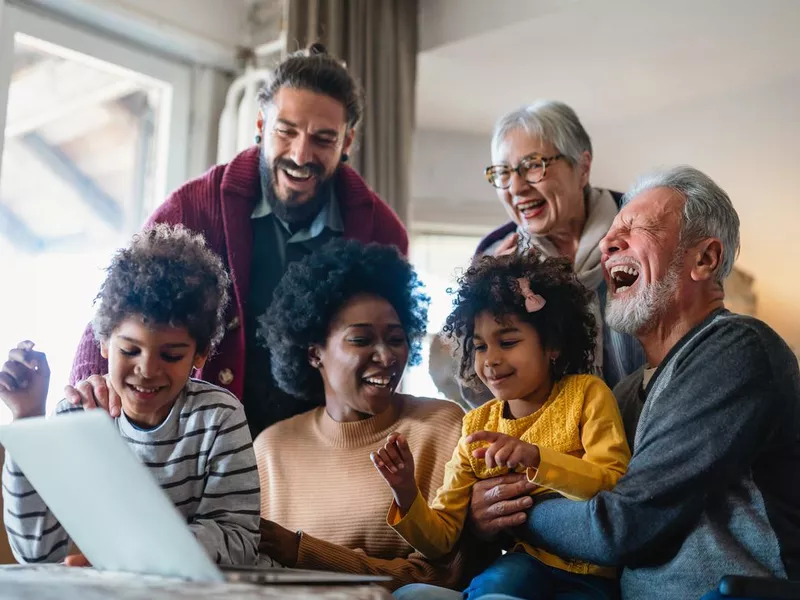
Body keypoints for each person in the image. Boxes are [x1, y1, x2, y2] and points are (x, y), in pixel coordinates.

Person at [472, 166, 800, 599]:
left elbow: (620, 527)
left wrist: (510, 507)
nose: (608, 244)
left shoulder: (737, 348)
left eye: (637, 228)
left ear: (705, 259)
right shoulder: (623, 393)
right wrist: (479, 511)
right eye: (610, 234)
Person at [66, 43, 408, 439]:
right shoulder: (194, 206)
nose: (300, 154)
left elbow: (387, 351)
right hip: (199, 438)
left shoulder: (383, 234)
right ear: (262, 125)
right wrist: (91, 383)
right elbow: (125, 299)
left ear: (347, 143)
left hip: (320, 445)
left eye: (323, 139)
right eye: (286, 131)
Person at [1, 225, 260, 566]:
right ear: (104, 342)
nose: (147, 370)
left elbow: (239, 540)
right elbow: (36, 553)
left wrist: (133, 556)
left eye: (171, 355)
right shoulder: (75, 419)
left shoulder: (218, 417)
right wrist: (28, 417)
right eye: (130, 350)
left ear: (200, 355)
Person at [381, 253, 630, 599]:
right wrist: (405, 491)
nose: (491, 360)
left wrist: (536, 459)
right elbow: (440, 540)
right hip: (522, 566)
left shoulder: (587, 394)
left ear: (553, 345)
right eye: (480, 346)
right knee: (412, 594)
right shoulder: (476, 426)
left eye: (508, 342)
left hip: (592, 576)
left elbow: (612, 482)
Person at [253, 239, 494, 591]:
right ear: (314, 354)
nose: (385, 356)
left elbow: (439, 578)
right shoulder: (272, 448)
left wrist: (303, 551)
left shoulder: (441, 428)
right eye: (361, 340)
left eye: (396, 339)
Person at [473, 101, 644, 393]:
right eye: (503, 173)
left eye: (532, 166)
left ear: (583, 168)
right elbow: (476, 374)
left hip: (647, 420)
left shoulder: (643, 231)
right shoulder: (495, 256)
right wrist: (490, 297)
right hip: (544, 433)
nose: (515, 188)